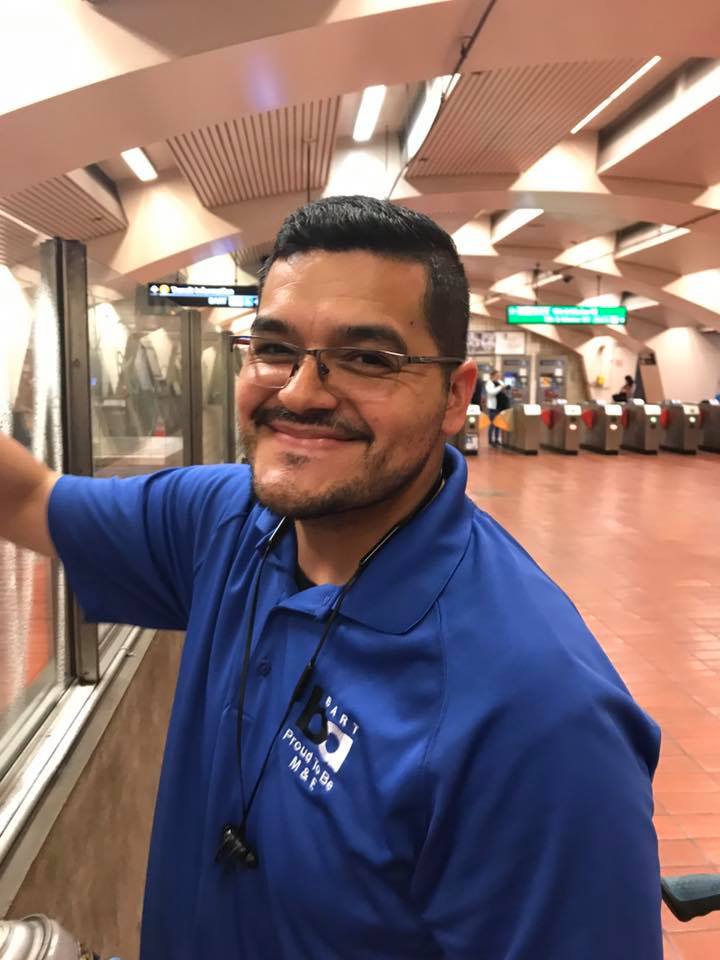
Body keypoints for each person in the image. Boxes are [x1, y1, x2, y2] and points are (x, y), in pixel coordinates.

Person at [0, 196, 662, 959]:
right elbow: (29, 498)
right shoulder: (226, 520)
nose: (301, 393)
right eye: (275, 347)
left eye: (369, 359)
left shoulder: (536, 719)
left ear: (455, 396)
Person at [484, 370, 507, 446]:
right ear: (492, 376)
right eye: (497, 375)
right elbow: (491, 392)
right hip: (493, 407)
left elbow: (504, 388)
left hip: (500, 406)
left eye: (499, 375)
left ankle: (497, 439)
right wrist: (500, 387)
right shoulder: (489, 383)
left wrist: (505, 387)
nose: (498, 377)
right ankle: (490, 440)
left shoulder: (500, 382)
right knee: (493, 424)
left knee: (498, 424)